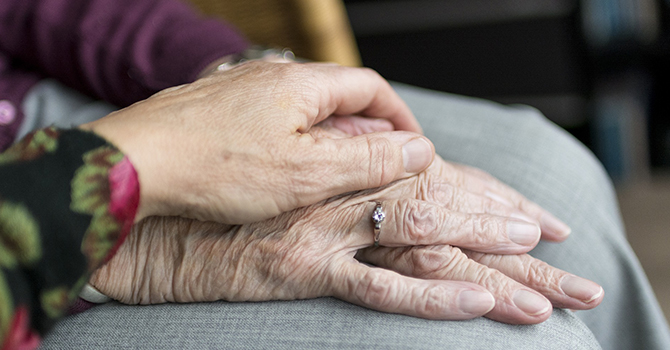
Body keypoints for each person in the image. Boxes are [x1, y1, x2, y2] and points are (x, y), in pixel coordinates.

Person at [0, 1, 668, 350]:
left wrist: (236, 81)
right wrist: (128, 233)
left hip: (49, 103)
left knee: (551, 175)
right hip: (28, 253)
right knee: (508, 337)